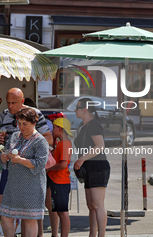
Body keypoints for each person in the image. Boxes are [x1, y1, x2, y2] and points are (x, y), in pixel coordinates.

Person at [0, 88, 52, 235]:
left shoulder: (38, 130)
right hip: (13, 181)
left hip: (31, 183)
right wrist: (2, 153)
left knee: (29, 219)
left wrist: (21, 159)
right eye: (8, 103)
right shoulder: (11, 128)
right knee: (5, 215)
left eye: (24, 124)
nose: (21, 127)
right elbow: (4, 149)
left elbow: (42, 157)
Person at [73, 98, 110, 237]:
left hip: (98, 166)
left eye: (77, 107)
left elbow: (100, 147)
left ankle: (101, 235)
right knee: (91, 205)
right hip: (88, 167)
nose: (75, 110)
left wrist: (82, 159)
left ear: (85, 109)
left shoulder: (94, 124)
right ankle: (92, 234)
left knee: (98, 204)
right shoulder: (83, 126)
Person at [46, 118, 73, 237]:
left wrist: (49, 168)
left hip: (60, 182)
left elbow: (63, 164)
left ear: (60, 129)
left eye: (54, 127)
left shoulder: (65, 143)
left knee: (63, 213)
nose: (52, 130)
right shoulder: (60, 143)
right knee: (58, 211)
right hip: (55, 181)